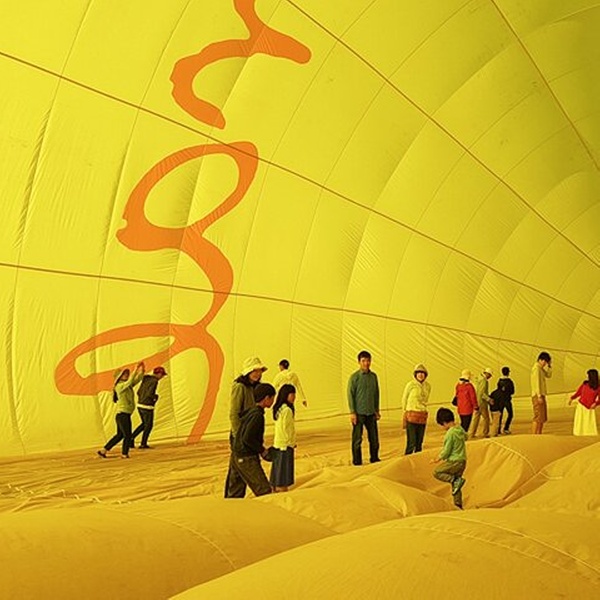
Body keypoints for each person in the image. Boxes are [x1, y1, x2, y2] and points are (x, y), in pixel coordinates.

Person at [224, 356, 267, 496]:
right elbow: (234, 413)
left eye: (259, 371)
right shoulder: (239, 387)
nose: (258, 374)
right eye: (255, 371)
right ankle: (233, 498)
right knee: (244, 465)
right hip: (241, 434)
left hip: (248, 432)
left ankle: (233, 499)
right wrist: (239, 436)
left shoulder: (255, 387)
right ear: (248, 372)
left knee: (237, 471)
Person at [224, 382, 275, 498]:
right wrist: (262, 450)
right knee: (264, 490)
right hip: (246, 457)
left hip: (237, 455)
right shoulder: (257, 416)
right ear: (267, 398)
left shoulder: (250, 412)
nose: (273, 401)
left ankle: (230, 508)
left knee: (235, 492)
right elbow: (248, 438)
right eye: (272, 398)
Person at [98, 362, 145, 458]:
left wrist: (142, 370)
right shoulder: (119, 386)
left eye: (127, 374)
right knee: (127, 435)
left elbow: (137, 380)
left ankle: (104, 450)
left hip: (124, 415)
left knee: (120, 435)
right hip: (123, 415)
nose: (127, 375)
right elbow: (130, 381)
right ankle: (124, 453)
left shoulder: (126, 385)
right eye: (124, 374)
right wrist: (135, 369)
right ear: (119, 377)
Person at [348, 350, 381, 465]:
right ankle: (357, 461)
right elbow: (350, 395)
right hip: (359, 413)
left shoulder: (373, 377)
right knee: (357, 439)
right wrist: (352, 412)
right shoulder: (354, 377)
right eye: (363, 361)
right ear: (359, 362)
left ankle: (374, 458)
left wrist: (376, 410)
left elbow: (376, 394)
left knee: (374, 438)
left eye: (368, 361)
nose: (366, 363)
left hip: (371, 413)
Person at [431, 407, 468, 509]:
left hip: (454, 461)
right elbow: (466, 437)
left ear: (444, 423)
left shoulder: (450, 433)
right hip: (462, 461)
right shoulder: (459, 429)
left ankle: (454, 479)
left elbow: (447, 451)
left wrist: (437, 459)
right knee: (456, 486)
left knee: (437, 472)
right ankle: (458, 505)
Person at [131, 366, 167, 449]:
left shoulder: (146, 378)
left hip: (140, 405)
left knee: (144, 424)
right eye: (162, 375)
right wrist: (155, 397)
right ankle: (143, 443)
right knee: (148, 426)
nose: (161, 377)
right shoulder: (154, 381)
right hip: (147, 406)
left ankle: (131, 438)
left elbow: (138, 392)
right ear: (159, 374)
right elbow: (150, 393)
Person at [270, 384, 297, 492]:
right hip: (285, 444)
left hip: (278, 442)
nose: (294, 397)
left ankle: (275, 487)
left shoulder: (280, 409)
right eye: (292, 394)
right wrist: (291, 442)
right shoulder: (287, 410)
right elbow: (287, 429)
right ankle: (281, 489)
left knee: (277, 468)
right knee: (283, 469)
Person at [401, 363, 431, 454]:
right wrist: (405, 412)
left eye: (423, 373)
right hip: (411, 415)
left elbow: (426, 399)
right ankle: (407, 459)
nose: (421, 375)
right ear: (415, 374)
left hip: (422, 415)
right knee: (411, 441)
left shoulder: (428, 386)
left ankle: (418, 460)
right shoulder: (410, 385)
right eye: (419, 373)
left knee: (419, 442)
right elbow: (404, 398)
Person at [569, 369, 599, 436]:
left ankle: (589, 433)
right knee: (580, 420)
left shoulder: (598, 387)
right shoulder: (585, 384)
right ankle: (578, 433)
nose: (587, 377)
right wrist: (572, 398)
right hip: (581, 405)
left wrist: (596, 403)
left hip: (590, 407)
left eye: (588, 375)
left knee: (588, 421)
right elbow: (579, 392)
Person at [469, 368, 494, 439]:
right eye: (490, 375)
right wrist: (489, 399)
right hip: (482, 403)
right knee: (486, 418)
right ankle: (485, 433)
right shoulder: (484, 381)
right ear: (487, 374)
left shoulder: (478, 379)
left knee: (475, 419)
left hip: (477, 401)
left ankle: (471, 434)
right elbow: (482, 393)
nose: (490, 377)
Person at [531, 351, 552, 434]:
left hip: (541, 394)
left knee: (542, 416)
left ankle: (539, 434)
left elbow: (548, 375)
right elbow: (536, 383)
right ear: (540, 360)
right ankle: (534, 435)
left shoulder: (540, 368)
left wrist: (549, 366)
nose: (545, 364)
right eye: (544, 362)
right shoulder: (536, 368)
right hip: (537, 395)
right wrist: (539, 396)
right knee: (538, 416)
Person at [454, 370, 478, 434]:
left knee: (463, 423)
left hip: (460, 408)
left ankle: (461, 434)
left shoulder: (458, 385)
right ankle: (462, 435)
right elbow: (473, 397)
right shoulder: (469, 386)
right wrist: (475, 406)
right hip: (468, 408)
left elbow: (456, 395)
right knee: (466, 424)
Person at [497, 366, 515, 434]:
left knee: (500, 415)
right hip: (507, 400)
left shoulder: (499, 381)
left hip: (500, 401)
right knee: (510, 414)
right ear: (508, 373)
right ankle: (506, 428)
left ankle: (498, 430)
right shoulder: (510, 382)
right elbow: (512, 391)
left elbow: (498, 390)